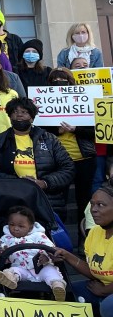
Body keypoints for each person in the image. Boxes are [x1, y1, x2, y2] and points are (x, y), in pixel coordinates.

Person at [0, 98, 75, 217]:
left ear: (32, 117)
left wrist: (44, 183)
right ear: (9, 116)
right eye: (15, 111)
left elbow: (68, 168)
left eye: (24, 112)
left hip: (48, 201)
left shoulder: (50, 139)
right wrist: (17, 182)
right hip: (11, 201)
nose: (19, 115)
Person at [43, 68, 97, 237]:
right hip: (58, 162)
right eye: (55, 79)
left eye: (63, 78)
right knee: (58, 202)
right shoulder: (45, 103)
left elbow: (96, 132)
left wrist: (76, 129)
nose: (59, 81)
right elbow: (39, 130)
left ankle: (85, 240)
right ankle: (59, 239)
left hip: (84, 159)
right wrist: (56, 130)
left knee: (85, 201)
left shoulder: (87, 102)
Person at [53, 183, 113, 317]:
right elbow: (95, 271)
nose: (94, 210)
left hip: (107, 290)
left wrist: (105, 291)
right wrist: (66, 255)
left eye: (101, 205)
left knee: (109, 307)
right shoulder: (94, 233)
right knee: (67, 293)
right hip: (104, 286)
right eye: (92, 204)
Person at [0, 205, 67, 300]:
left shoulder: (38, 235)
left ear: (30, 227)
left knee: (50, 272)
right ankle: (9, 279)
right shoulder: (6, 238)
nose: (15, 228)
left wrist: (46, 256)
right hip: (20, 268)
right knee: (13, 271)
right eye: (12, 224)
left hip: (41, 267)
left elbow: (50, 247)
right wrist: (1, 252)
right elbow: (2, 257)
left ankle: (57, 286)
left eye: (21, 226)